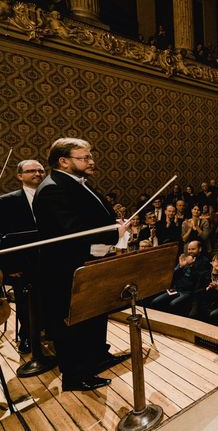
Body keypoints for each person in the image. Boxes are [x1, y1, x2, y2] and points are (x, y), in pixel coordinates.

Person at [33, 138, 129, 392]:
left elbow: (94, 217)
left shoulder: (75, 184)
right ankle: (75, 377)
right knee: (74, 324)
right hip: (67, 270)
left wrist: (115, 224)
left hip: (89, 263)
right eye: (84, 157)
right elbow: (72, 231)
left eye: (90, 156)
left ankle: (98, 356)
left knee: (96, 314)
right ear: (64, 161)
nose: (91, 161)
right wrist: (113, 234)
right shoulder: (53, 188)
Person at [0, 159, 46, 354]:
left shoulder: (52, 196)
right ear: (20, 176)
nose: (37, 174)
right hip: (23, 262)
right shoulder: (6, 201)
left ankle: (50, 332)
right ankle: (27, 336)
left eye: (41, 170)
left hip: (50, 259)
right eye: (31, 171)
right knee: (24, 300)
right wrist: (10, 265)